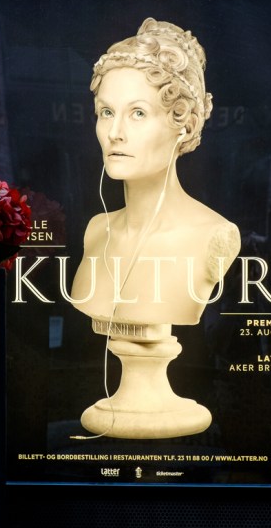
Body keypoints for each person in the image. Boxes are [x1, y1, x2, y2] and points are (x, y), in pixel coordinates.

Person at [71, 17, 241, 327]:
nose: (114, 133)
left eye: (138, 113)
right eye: (106, 112)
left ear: (185, 125)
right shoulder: (96, 230)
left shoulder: (213, 236)